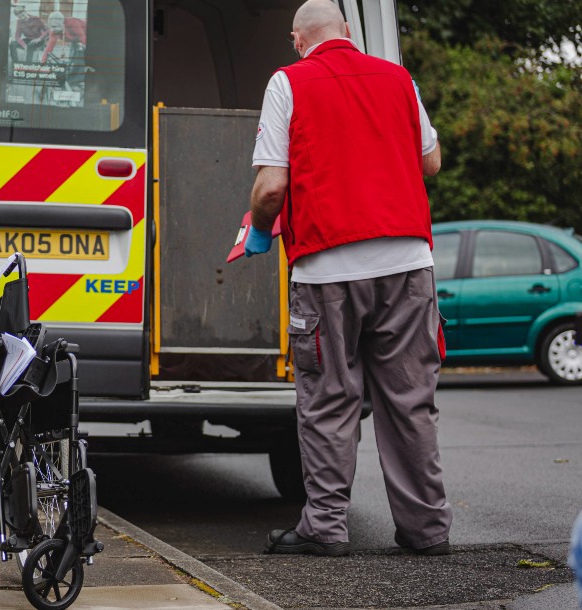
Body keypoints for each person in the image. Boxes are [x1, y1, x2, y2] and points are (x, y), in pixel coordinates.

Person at [246, 0, 450, 557]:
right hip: (408, 265)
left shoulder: (288, 82)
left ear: (298, 39)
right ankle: (427, 531)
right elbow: (430, 161)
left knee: (329, 400)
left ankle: (325, 528)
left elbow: (271, 187)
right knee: (410, 400)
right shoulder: (398, 79)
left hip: (327, 269)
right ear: (348, 31)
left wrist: (259, 231)